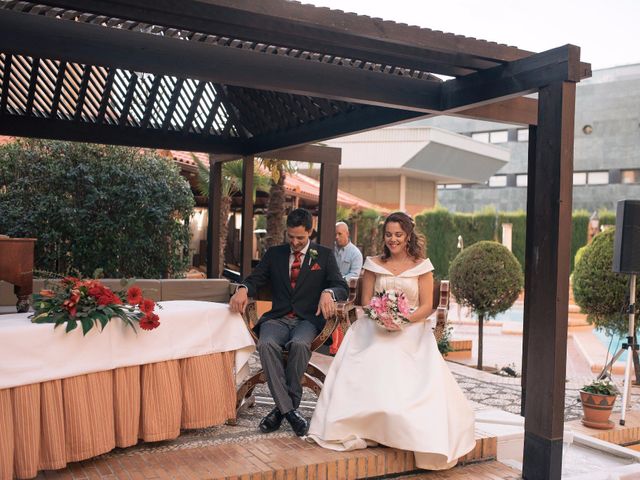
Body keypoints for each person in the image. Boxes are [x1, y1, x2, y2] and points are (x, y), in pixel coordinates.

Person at [307, 212, 475, 470]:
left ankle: (402, 427)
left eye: (398, 235)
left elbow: (428, 305)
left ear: (408, 236)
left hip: (411, 327)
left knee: (402, 359)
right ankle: (367, 424)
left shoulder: (422, 265)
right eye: (389, 235)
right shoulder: (373, 263)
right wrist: (381, 316)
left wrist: (403, 320)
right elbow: (365, 302)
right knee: (371, 352)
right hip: (376, 325)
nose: (393, 239)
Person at [229, 208, 348, 437]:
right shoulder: (274, 254)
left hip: (307, 321)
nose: (294, 242)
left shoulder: (323, 255)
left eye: (300, 238)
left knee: (300, 345)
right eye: (290, 237)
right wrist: (243, 289)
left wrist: (328, 292)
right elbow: (256, 278)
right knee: (266, 345)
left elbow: (340, 286)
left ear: (310, 233)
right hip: (278, 318)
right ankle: (291, 412)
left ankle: (280, 411)